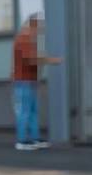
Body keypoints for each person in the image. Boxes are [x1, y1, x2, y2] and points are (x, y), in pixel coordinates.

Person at [12, 14, 62, 151]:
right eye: (39, 28)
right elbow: (31, 60)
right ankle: (22, 140)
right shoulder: (23, 40)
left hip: (30, 81)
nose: (40, 31)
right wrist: (50, 60)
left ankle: (34, 138)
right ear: (32, 26)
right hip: (23, 81)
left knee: (33, 110)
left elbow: (34, 60)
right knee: (25, 111)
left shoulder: (28, 40)